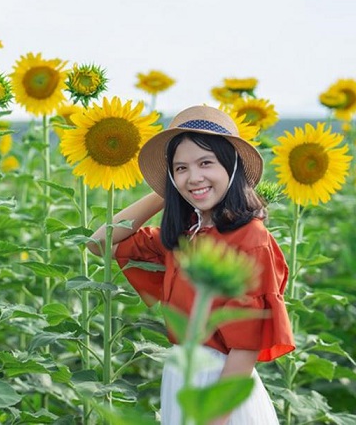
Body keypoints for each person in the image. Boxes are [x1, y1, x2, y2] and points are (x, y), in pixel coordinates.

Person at [89, 105, 295, 425]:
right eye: (181, 167)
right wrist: (168, 190)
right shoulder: (184, 237)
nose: (194, 176)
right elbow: (99, 241)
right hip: (181, 382)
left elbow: (244, 349)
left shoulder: (251, 238)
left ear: (232, 166)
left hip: (221, 393)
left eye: (206, 163)